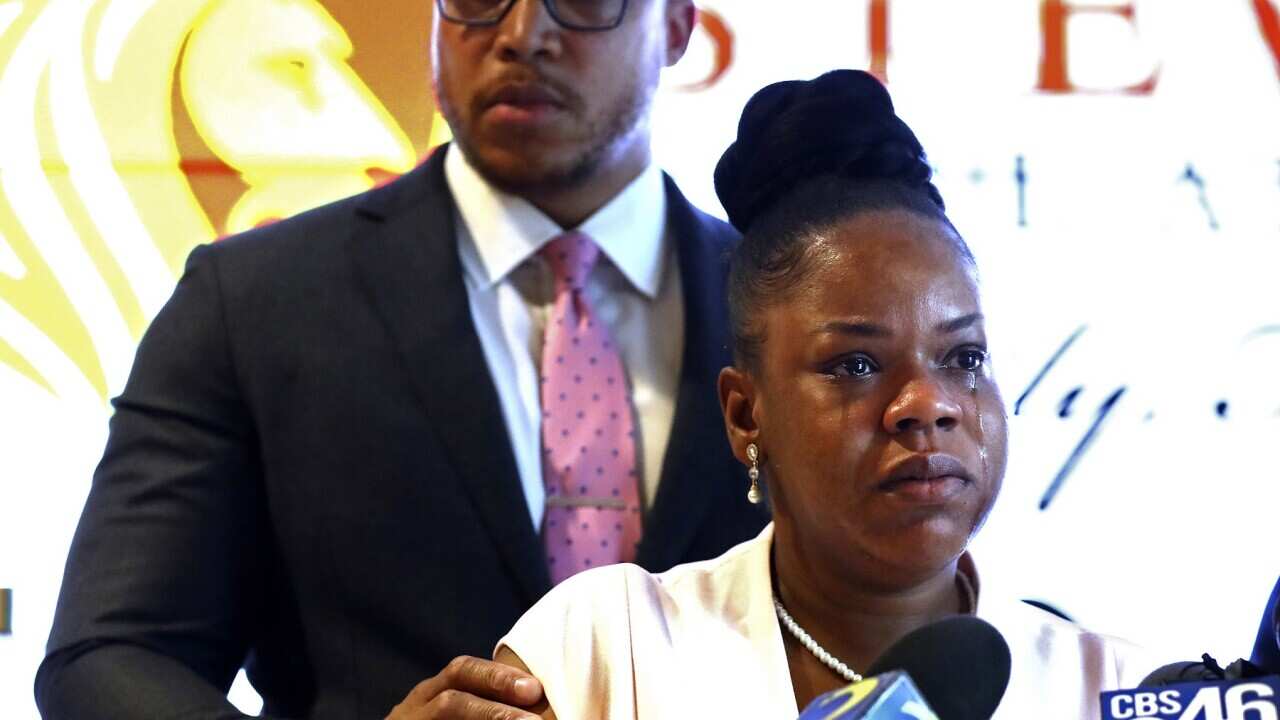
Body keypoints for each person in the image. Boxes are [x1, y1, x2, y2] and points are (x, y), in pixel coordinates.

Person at [35, 1, 767, 718]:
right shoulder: (254, 300)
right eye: (479, 0)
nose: (521, 34)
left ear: (675, 26)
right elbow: (108, 656)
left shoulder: (791, 314)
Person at [493, 69, 1157, 718]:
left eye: (964, 357)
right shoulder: (605, 653)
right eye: (857, 364)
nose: (928, 404)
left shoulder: (1117, 690)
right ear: (746, 415)